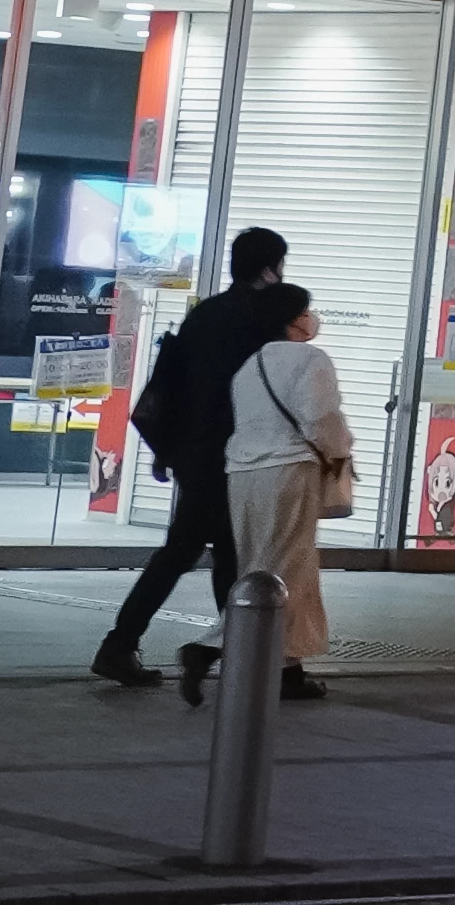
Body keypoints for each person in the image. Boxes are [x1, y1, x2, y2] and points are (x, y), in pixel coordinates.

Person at [98, 225, 299, 683]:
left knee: (218, 555)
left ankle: (241, 659)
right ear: (270, 269)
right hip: (236, 456)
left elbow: (176, 386)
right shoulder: (263, 322)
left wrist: (167, 451)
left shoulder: (204, 313)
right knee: (223, 555)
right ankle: (247, 663)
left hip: (195, 453)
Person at [177, 287, 357, 707]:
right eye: (307, 310)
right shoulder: (311, 359)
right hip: (289, 471)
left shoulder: (249, 365)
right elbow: (321, 417)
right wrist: (339, 453)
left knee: (271, 568)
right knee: (281, 571)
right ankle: (207, 647)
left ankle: (287, 672)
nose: (312, 317)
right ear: (294, 318)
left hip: (242, 472)